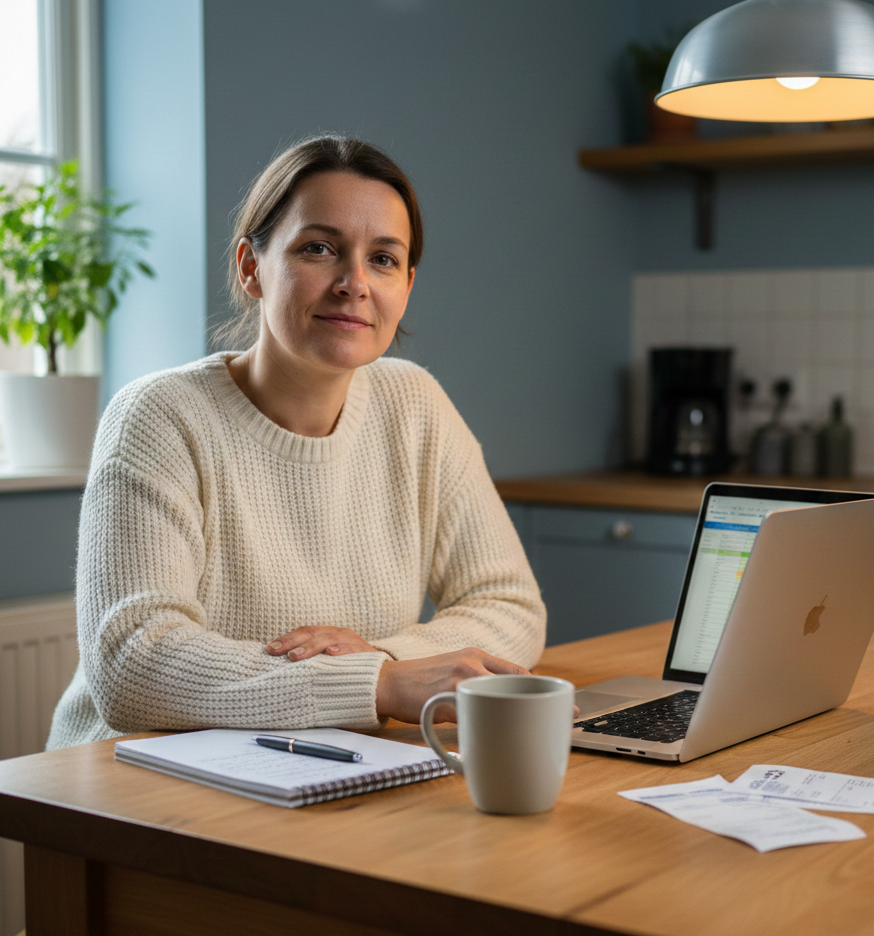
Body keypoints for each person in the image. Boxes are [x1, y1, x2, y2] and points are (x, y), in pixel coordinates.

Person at [46, 135, 546, 749]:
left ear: (407, 285)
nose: (354, 283)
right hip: (129, 769)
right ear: (250, 267)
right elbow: (132, 664)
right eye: (318, 249)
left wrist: (385, 661)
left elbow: (509, 604)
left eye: (383, 259)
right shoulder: (159, 417)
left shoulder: (415, 405)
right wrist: (378, 684)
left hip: (323, 755)